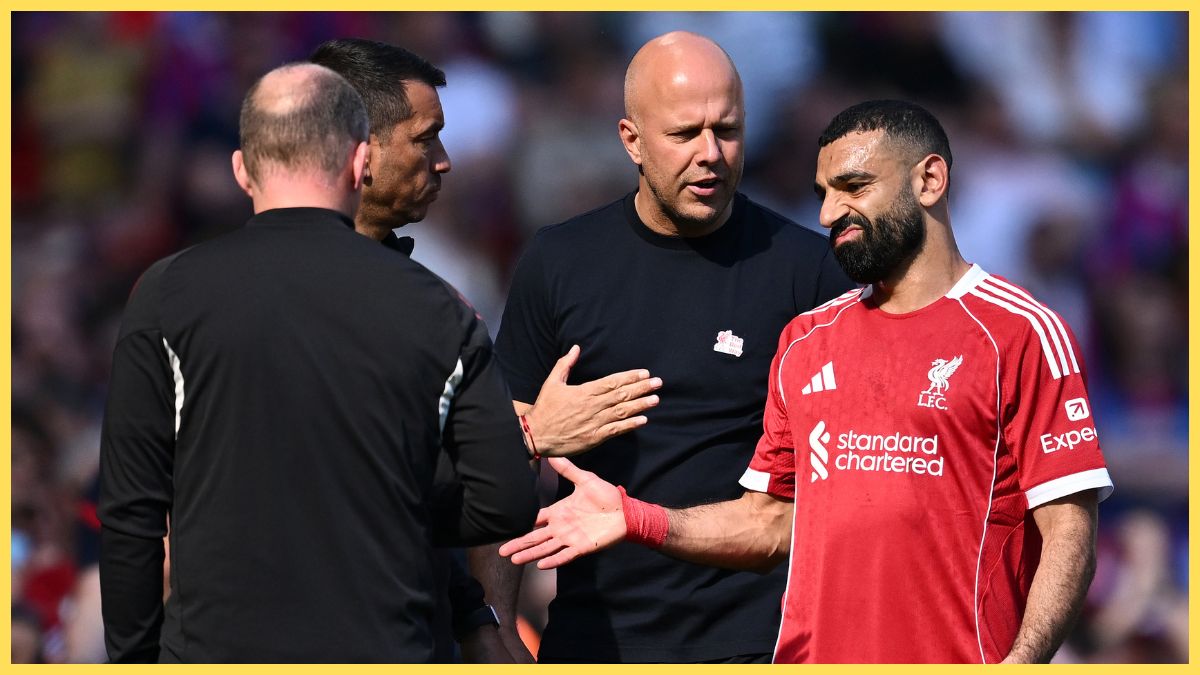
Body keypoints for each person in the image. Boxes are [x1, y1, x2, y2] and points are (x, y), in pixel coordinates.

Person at [500, 99, 1115, 664]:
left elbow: (1067, 530)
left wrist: (1021, 663)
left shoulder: (1021, 332)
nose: (827, 213)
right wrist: (639, 518)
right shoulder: (806, 341)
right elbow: (770, 522)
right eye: (823, 193)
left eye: (853, 187)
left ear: (930, 180)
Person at [98, 62, 537, 663]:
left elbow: (131, 515)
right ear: (361, 163)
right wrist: (385, 485)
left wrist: (131, 659)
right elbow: (504, 501)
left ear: (241, 169)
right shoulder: (437, 308)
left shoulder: (164, 295)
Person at [494, 31, 852, 663]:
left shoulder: (809, 272)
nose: (711, 154)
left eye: (729, 130)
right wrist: (496, 631)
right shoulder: (560, 262)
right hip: (598, 641)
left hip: (760, 645)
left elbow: (833, 495)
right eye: (685, 134)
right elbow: (506, 466)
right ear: (631, 139)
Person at [308, 37, 527, 663]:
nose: (445, 160)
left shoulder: (430, 300)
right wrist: (525, 439)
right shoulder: (296, 302)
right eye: (425, 137)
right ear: (361, 149)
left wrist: (474, 616)